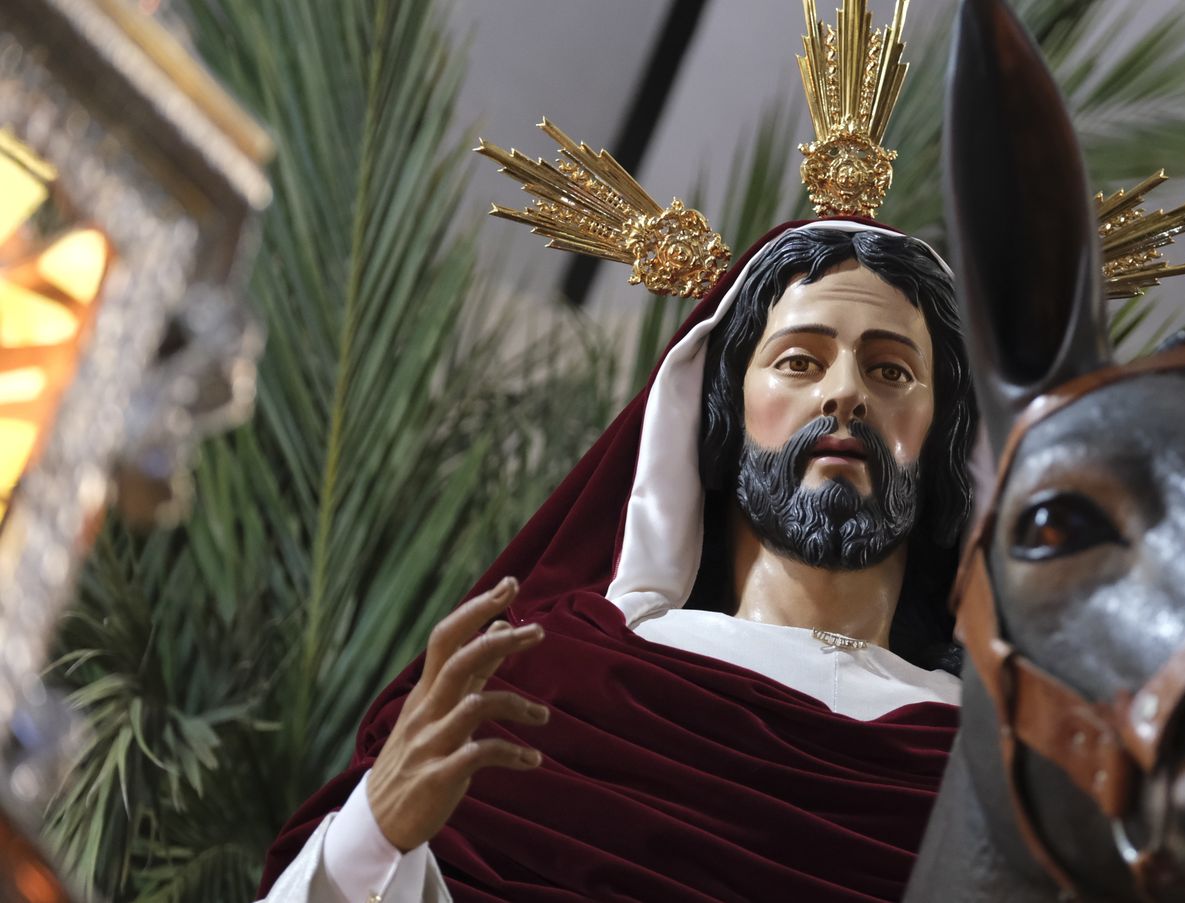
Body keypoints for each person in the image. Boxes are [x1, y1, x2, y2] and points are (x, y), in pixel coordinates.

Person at [254, 219, 978, 902]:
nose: (845, 391)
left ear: (946, 438)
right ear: (719, 412)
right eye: (799, 361)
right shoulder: (547, 693)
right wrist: (371, 836)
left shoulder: (1005, 773)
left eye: (891, 370)